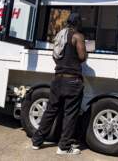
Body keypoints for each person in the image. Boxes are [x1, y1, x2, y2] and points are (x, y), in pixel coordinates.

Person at [31, 12, 87, 155]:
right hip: (72, 80)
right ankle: (63, 147)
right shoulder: (77, 36)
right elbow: (82, 56)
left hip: (58, 79)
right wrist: (85, 51)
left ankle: (37, 141)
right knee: (70, 114)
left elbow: (55, 57)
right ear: (78, 23)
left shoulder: (59, 35)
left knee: (50, 111)